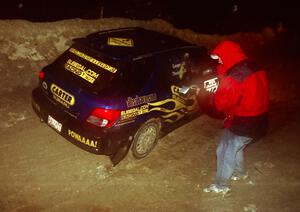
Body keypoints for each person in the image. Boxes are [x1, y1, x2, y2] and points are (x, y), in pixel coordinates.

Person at [202, 40, 269, 194]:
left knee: (225, 151)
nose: (218, 61)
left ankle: (221, 186)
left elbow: (220, 104)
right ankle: (240, 173)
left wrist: (206, 96)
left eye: (219, 57)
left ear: (227, 55)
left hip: (244, 121)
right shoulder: (253, 66)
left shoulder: (235, 77)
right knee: (231, 148)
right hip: (258, 118)